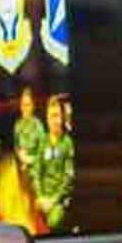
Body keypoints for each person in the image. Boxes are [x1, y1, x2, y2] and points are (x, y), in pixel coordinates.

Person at [32, 95, 74, 229]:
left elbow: (68, 178)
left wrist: (53, 201)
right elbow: (36, 171)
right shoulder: (43, 142)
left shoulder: (67, 143)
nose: (56, 120)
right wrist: (40, 196)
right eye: (52, 116)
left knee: (53, 222)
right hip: (43, 197)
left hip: (59, 199)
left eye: (58, 116)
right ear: (47, 118)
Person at [12, 86, 47, 186]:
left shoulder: (38, 125)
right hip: (22, 169)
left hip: (37, 169)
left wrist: (31, 159)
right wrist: (20, 154)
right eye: (22, 104)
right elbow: (16, 146)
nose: (24, 108)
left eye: (27, 105)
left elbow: (44, 150)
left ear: (32, 106)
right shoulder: (17, 125)